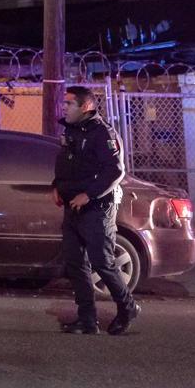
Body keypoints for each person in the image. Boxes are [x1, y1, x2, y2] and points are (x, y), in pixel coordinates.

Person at [52, 86, 140, 336]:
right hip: (72, 207)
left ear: (86, 106)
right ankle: (87, 319)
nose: (64, 107)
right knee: (75, 263)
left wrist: (88, 194)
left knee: (102, 262)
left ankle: (128, 307)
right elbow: (66, 164)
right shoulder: (71, 130)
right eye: (64, 103)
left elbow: (115, 170)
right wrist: (56, 186)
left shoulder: (102, 133)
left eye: (69, 103)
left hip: (97, 208)